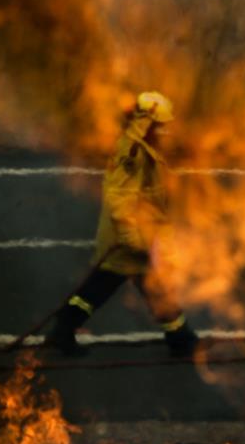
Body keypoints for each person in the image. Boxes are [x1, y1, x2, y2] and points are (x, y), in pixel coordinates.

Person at [45, 91, 198, 357]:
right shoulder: (133, 152)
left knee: (142, 287)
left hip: (140, 235)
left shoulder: (143, 147)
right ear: (146, 123)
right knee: (108, 287)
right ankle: (181, 339)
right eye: (161, 125)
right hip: (129, 238)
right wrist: (131, 237)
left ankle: (180, 338)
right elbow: (120, 199)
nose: (165, 131)